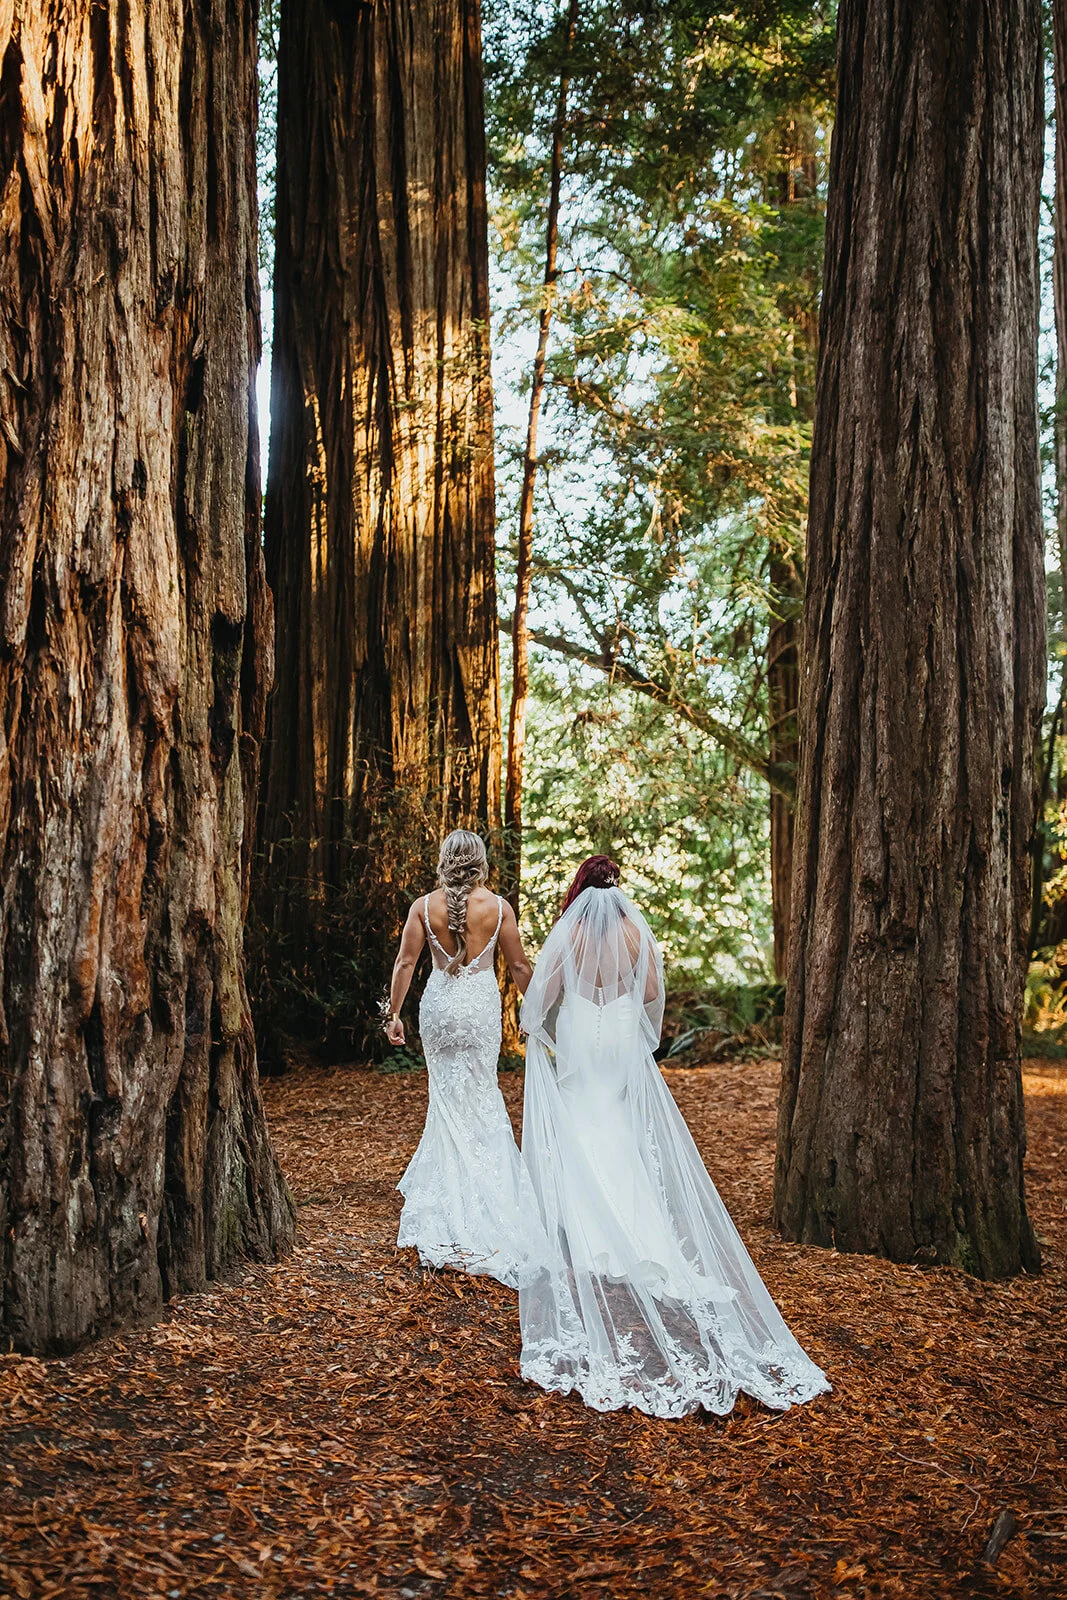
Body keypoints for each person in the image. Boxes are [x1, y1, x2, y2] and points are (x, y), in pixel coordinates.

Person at [519, 855, 830, 1418]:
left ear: (581, 890)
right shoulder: (636, 931)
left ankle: (589, 1224)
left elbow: (537, 1005)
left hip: (582, 1037)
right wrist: (619, 1012)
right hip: (617, 1034)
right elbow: (652, 995)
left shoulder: (569, 933)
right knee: (614, 1118)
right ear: (617, 892)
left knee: (586, 1117)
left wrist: (553, 1041)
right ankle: (638, 1227)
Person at [386, 829, 545, 1288]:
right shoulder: (498, 908)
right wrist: (537, 1016)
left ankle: (449, 1209)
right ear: (479, 862)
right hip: (478, 1011)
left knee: (446, 1103)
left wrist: (392, 1015)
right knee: (481, 1096)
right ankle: (490, 1202)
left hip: (439, 1009)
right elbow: (517, 967)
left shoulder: (424, 906)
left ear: (444, 860)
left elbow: (404, 964)